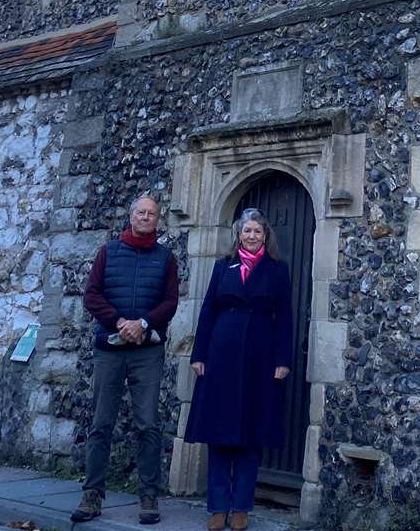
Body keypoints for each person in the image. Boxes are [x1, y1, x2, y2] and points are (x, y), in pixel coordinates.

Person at [184, 208, 293, 531]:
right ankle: (218, 508)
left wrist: (282, 360)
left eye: (258, 231)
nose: (252, 236)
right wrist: (198, 355)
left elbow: (285, 317)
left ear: (265, 236)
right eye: (247, 231)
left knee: (250, 436)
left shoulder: (277, 270)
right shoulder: (222, 268)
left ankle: (242, 507)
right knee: (218, 435)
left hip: (260, 358)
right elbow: (207, 311)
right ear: (239, 235)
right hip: (221, 356)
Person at [72, 195, 178, 527]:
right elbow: (92, 295)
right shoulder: (108, 252)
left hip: (147, 350)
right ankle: (92, 495)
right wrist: (120, 322)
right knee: (101, 424)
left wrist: (143, 324)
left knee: (148, 425)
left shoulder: (165, 258)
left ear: (157, 220)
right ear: (131, 216)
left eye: (152, 214)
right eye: (141, 212)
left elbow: (170, 301)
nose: (146, 217)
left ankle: (148, 497)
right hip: (110, 348)